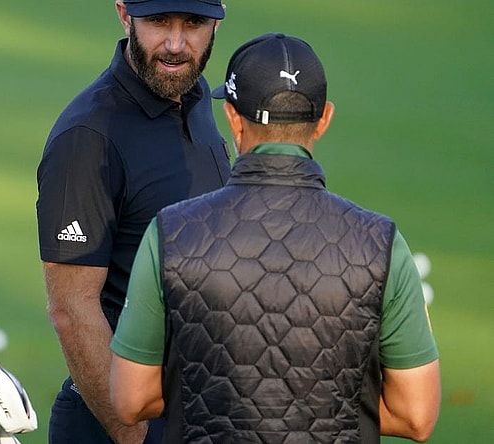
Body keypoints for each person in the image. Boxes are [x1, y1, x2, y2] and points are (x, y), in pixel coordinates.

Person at [109, 33, 441, 443]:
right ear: (324, 119)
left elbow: (130, 398)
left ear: (232, 117)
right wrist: (320, 404)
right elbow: (416, 415)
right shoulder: (382, 243)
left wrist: (219, 398)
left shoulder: (170, 234)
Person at [36, 0, 231, 442]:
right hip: (121, 423)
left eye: (195, 23)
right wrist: (137, 436)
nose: (176, 44)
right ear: (124, 14)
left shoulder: (196, 98)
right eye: (159, 21)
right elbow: (71, 308)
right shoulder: (88, 138)